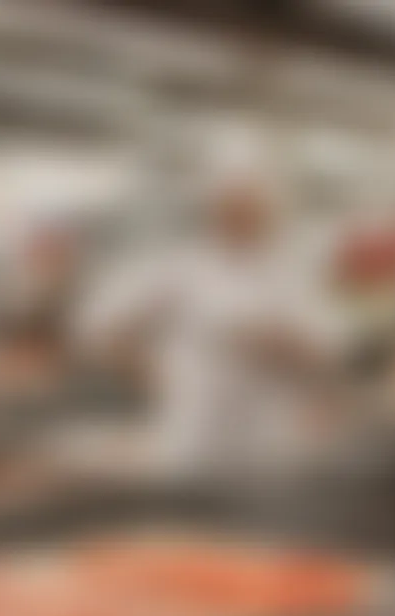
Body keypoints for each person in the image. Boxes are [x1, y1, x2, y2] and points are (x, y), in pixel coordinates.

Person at [78, 139, 344, 481]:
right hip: (192, 440)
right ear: (214, 209)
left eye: (253, 205)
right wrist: (149, 373)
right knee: (182, 527)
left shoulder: (293, 273)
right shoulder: (178, 268)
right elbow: (99, 329)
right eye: (233, 206)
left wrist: (287, 351)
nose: (244, 215)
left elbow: (327, 360)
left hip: (270, 443)